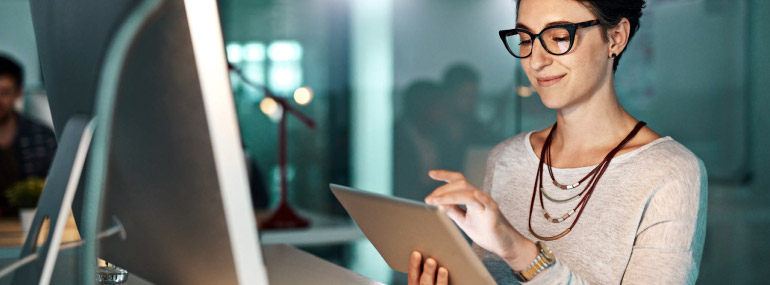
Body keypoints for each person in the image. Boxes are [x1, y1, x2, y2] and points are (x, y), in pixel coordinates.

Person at [408, 0, 707, 284]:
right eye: (526, 39)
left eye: (559, 36)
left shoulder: (670, 172)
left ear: (615, 37)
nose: (537, 60)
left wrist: (518, 250)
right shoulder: (506, 159)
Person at [0, 54, 57, 216]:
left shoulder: (41, 137)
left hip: (32, 229)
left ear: (18, 93)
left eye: (5, 92)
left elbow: (57, 192)